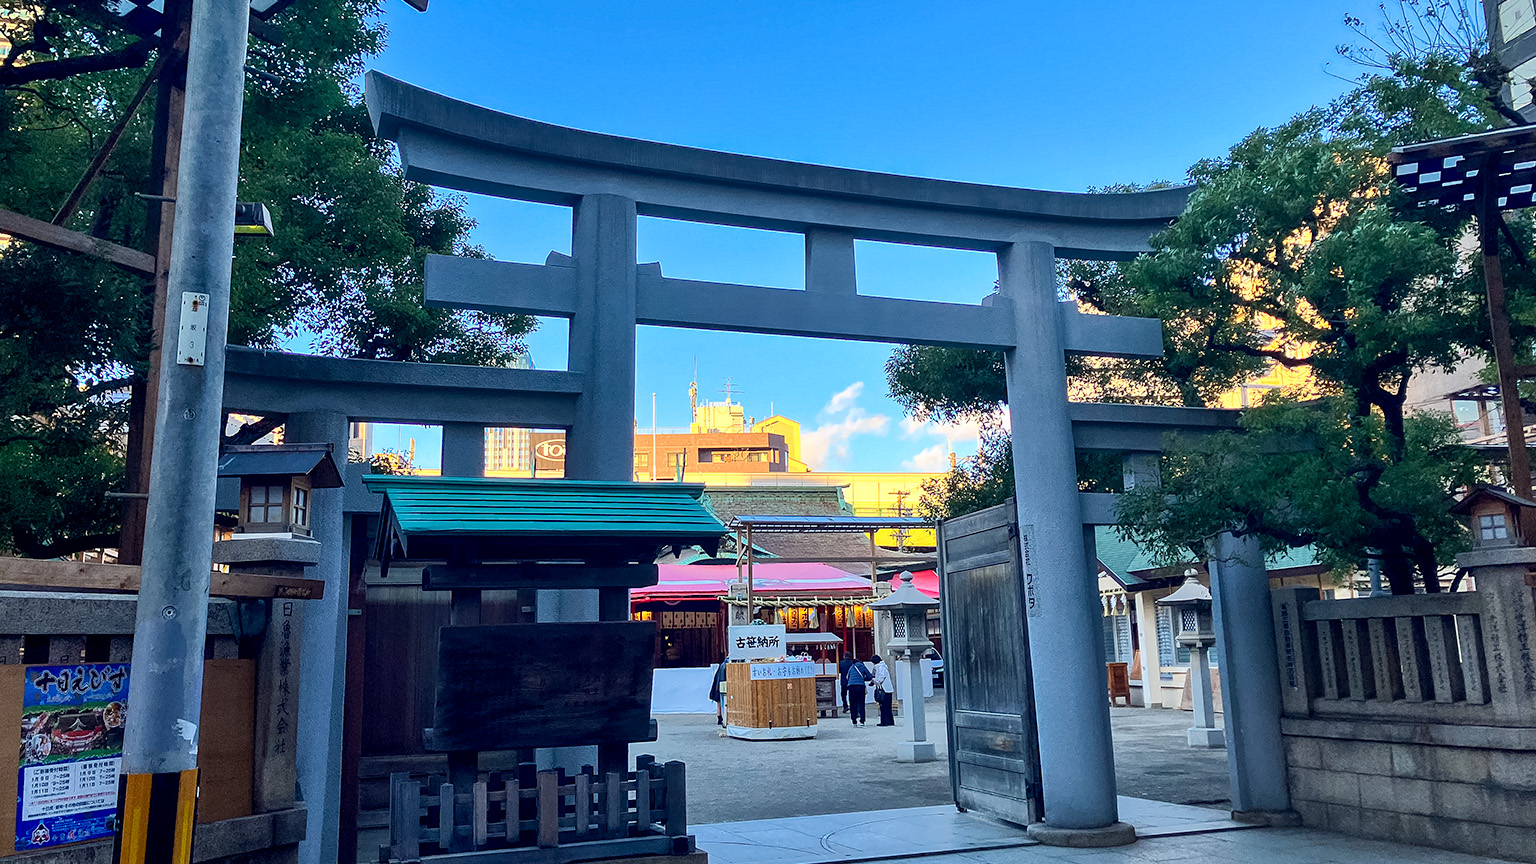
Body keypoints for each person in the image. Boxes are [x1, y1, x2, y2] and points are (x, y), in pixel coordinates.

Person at [844, 655, 872, 726]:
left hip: (851, 686)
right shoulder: (862, 666)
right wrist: (863, 679)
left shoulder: (851, 667)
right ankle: (862, 721)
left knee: (853, 704)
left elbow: (847, 677)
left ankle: (854, 720)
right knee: (861, 703)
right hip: (860, 686)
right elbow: (869, 676)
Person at [870, 654, 895, 726]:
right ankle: (890, 720)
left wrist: (873, 680)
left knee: (883, 706)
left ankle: (884, 721)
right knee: (888, 706)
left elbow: (880, 679)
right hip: (888, 689)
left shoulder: (880, 667)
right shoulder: (883, 666)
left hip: (884, 689)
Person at [708, 659, 729, 726]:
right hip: (722, 686)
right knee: (723, 703)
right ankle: (722, 718)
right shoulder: (726, 665)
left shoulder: (721, 666)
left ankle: (720, 718)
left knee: (719, 703)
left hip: (717, 686)